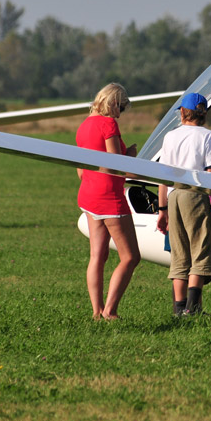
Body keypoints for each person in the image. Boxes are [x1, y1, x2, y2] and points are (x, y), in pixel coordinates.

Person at [76, 83, 142, 320]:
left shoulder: (83, 126)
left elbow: (81, 171)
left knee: (98, 255)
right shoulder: (108, 124)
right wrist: (131, 157)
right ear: (114, 103)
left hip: (88, 195)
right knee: (130, 256)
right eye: (122, 107)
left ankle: (96, 311)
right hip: (109, 197)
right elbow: (117, 165)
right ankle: (110, 311)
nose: (120, 113)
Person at [155, 92, 211, 316]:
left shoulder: (170, 137)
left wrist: (162, 209)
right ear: (203, 113)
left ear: (183, 112)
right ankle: (193, 310)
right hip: (195, 195)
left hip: (174, 196)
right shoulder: (208, 136)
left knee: (179, 253)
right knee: (200, 251)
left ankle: (178, 309)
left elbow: (163, 176)